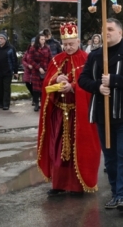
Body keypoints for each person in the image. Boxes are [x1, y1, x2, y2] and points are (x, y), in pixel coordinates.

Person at [79, 18, 123, 212]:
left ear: (119, 32)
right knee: (110, 157)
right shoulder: (95, 55)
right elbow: (83, 79)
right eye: (103, 29)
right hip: (103, 113)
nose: (105, 32)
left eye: (110, 29)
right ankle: (116, 193)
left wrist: (113, 80)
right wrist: (98, 87)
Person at [37, 21, 101, 197]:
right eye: (65, 44)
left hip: (78, 113)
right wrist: (55, 81)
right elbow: (46, 84)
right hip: (59, 113)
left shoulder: (87, 60)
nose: (68, 47)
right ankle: (58, 184)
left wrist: (72, 86)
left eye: (71, 44)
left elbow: (90, 85)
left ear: (78, 41)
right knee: (58, 148)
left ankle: (77, 185)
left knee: (78, 148)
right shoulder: (56, 60)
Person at [0, 33, 18, 110]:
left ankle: (6, 104)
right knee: (0, 88)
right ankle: (0, 103)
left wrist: (15, 71)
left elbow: (14, 60)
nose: (0, 40)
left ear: (5, 39)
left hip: (7, 71)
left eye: (2, 38)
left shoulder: (11, 48)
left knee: (6, 88)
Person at [30, 34, 52, 111]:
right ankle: (36, 103)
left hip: (45, 70)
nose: (43, 41)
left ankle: (43, 103)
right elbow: (30, 60)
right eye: (41, 39)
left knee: (44, 88)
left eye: (44, 39)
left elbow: (50, 58)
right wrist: (38, 67)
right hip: (36, 71)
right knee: (36, 89)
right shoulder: (33, 48)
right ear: (38, 40)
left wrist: (49, 68)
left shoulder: (47, 48)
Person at [21, 38, 35, 104]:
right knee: (27, 84)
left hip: (35, 71)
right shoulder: (27, 52)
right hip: (28, 70)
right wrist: (27, 65)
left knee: (34, 85)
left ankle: (35, 99)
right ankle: (34, 96)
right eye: (32, 43)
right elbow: (23, 60)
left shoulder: (38, 51)